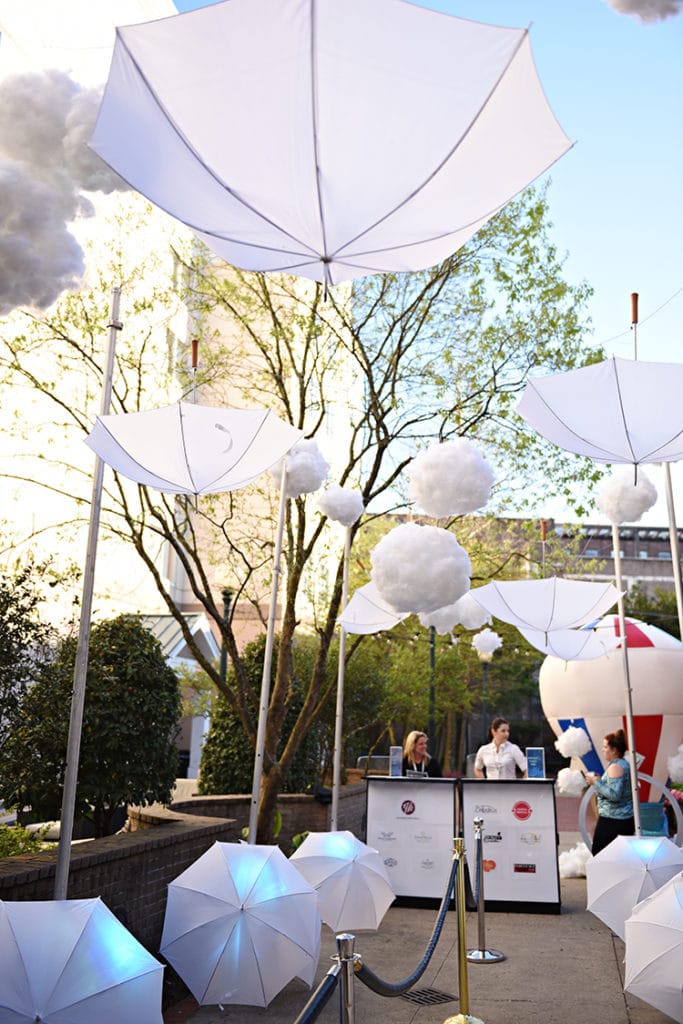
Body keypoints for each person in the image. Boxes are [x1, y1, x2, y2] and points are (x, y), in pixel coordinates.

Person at [585, 728, 634, 855]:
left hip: (613, 821)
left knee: (600, 855)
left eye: (605, 747)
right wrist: (601, 781)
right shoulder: (623, 764)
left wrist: (595, 782)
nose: (603, 750)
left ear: (614, 750)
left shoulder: (616, 767)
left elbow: (614, 795)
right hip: (623, 820)